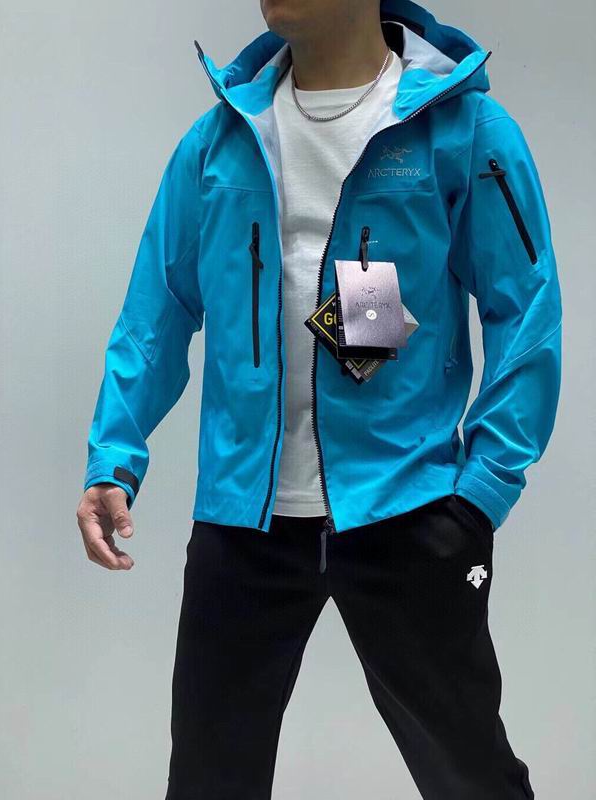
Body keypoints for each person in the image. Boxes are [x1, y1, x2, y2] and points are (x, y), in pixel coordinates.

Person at [76, 0, 562, 797]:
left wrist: (482, 492)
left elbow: (526, 311)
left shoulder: (465, 131)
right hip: (244, 525)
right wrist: (112, 456)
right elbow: (155, 313)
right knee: (207, 781)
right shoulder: (217, 142)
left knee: (472, 775)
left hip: (410, 511)